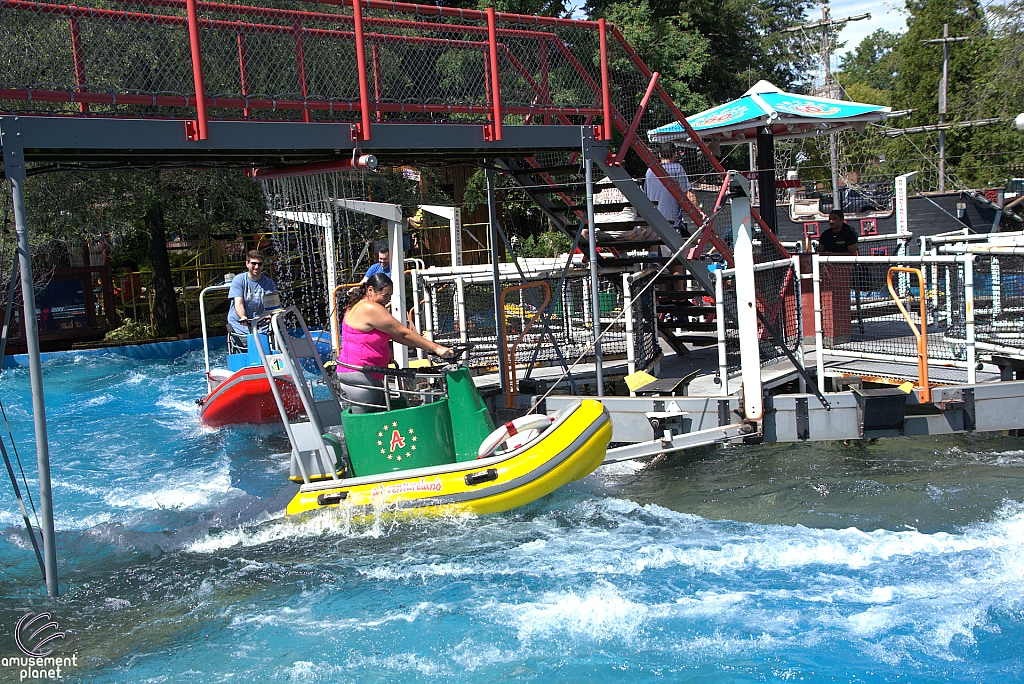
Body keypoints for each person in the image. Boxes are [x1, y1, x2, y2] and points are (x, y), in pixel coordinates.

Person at [337, 272, 453, 413]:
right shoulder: (371, 308)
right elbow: (403, 332)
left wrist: (424, 346)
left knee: (378, 416)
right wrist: (437, 348)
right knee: (373, 423)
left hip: (352, 372)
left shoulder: (356, 306)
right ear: (370, 290)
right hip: (362, 375)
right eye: (385, 295)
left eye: (390, 296)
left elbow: (397, 336)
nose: (388, 300)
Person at [645, 143, 704, 229]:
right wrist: (699, 211)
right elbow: (688, 193)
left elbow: (646, 195)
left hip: (653, 223)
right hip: (672, 223)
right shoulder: (677, 168)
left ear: (659, 154)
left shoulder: (650, 171)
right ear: (675, 154)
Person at [227, 250, 276, 349]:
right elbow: (238, 303)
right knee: (248, 346)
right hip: (240, 324)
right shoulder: (239, 280)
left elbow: (271, 305)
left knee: (266, 344)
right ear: (247, 264)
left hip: (261, 323)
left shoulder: (269, 283)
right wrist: (243, 317)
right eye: (253, 263)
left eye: (259, 264)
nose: (257, 267)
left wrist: (270, 314)